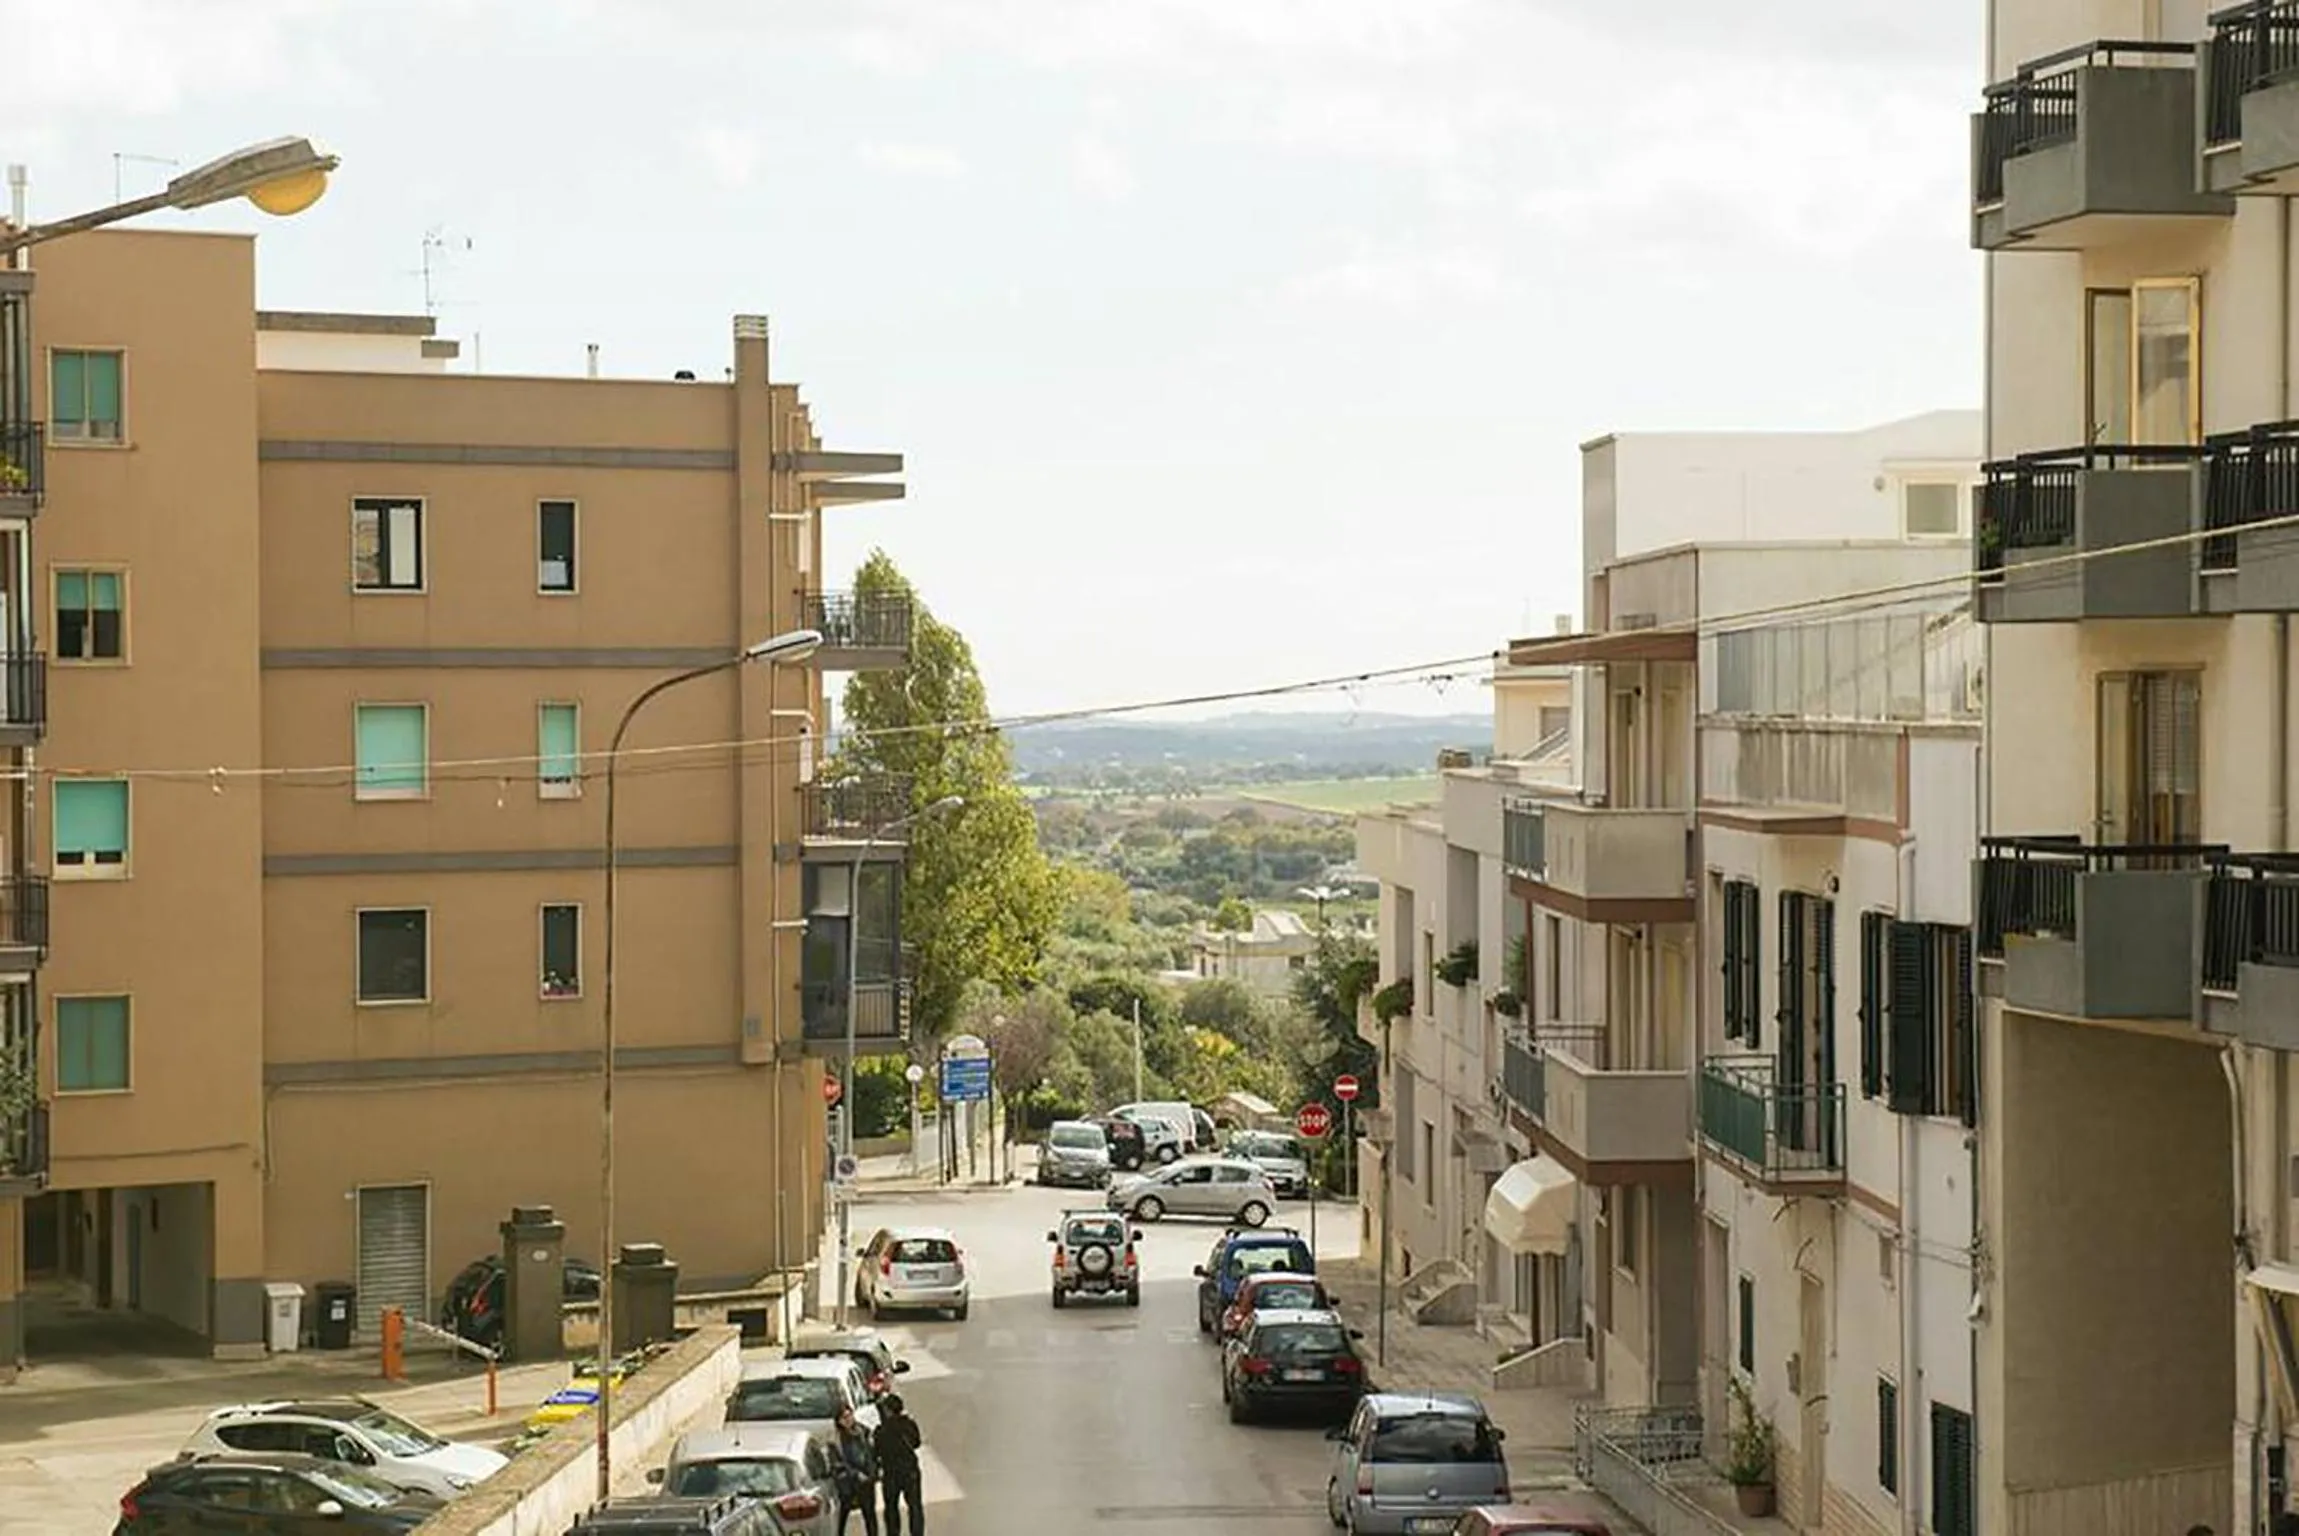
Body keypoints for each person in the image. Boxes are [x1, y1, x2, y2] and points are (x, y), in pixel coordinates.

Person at [872, 1392, 926, 1536]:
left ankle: (893, 1533)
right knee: (914, 1506)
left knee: (891, 1508)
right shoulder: (909, 1423)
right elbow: (916, 1443)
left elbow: (876, 1451)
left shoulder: (881, 1430)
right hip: (910, 1471)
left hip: (891, 1473)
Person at [831, 1404, 878, 1536]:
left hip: (866, 1482)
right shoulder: (836, 1440)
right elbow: (837, 1463)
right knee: (842, 1517)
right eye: (844, 1418)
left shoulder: (863, 1432)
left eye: (849, 1415)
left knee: (870, 1515)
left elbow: (871, 1453)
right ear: (839, 1421)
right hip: (848, 1484)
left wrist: (873, 1471)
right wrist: (855, 1474)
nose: (848, 1419)